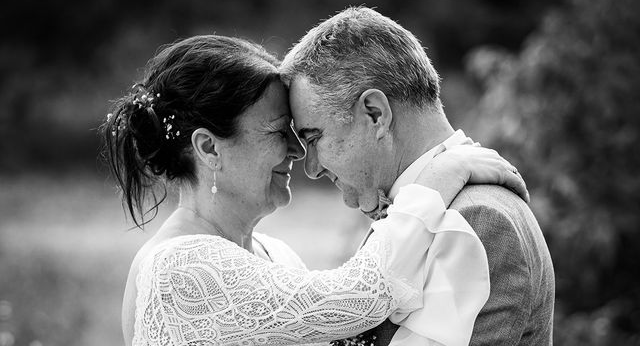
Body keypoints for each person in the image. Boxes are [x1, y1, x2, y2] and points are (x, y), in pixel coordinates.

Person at [102, 35, 526, 346]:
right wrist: (436, 180)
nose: (295, 152)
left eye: (298, 133)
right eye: (277, 133)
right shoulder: (179, 267)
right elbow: (360, 295)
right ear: (209, 147)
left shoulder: (275, 255)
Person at [280, 7, 555, 346]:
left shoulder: (473, 218)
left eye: (313, 137)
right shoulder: (421, 214)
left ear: (375, 113)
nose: (312, 167)